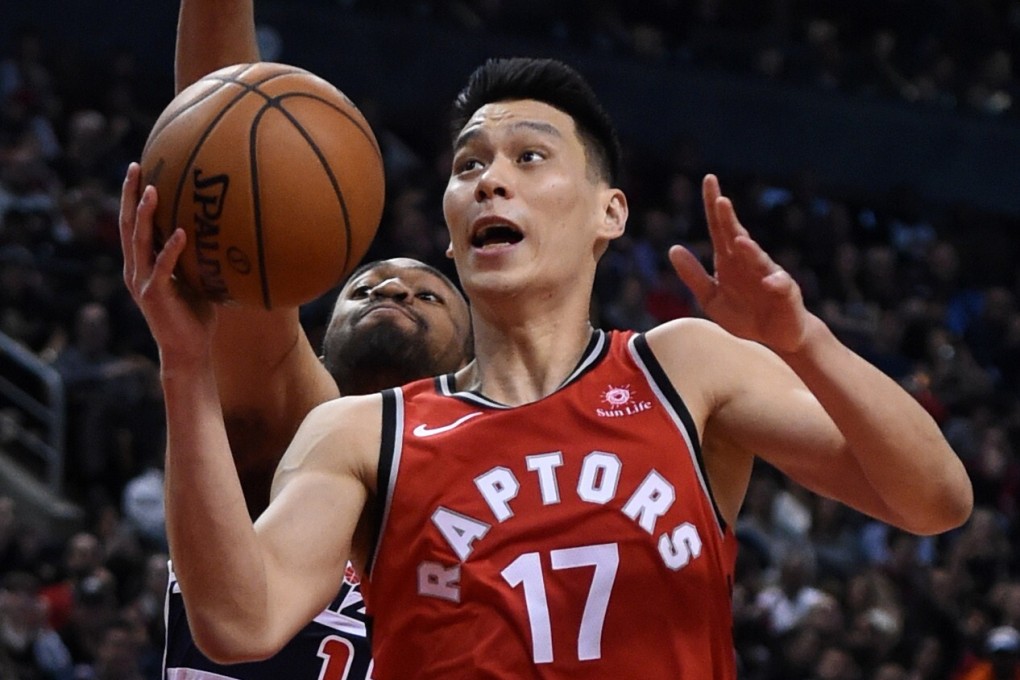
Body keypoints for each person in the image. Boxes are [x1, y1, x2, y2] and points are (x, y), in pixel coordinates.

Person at [121, 32, 973, 677]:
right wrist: (185, 366)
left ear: (610, 213)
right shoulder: (361, 435)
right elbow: (237, 622)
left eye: (531, 157)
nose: (492, 179)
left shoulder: (685, 371)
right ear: (452, 236)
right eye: (469, 165)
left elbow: (934, 499)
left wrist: (801, 339)